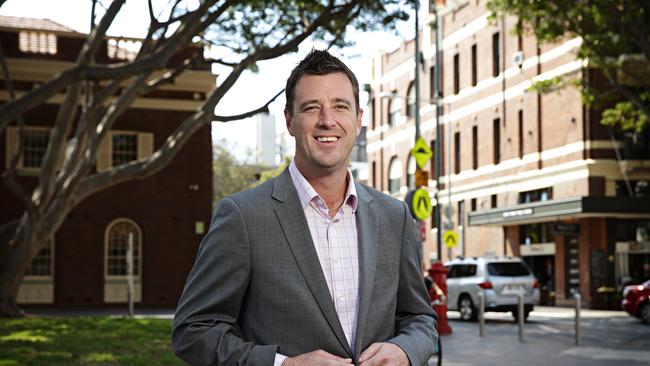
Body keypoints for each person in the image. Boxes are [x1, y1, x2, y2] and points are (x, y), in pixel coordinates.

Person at [172, 49, 437, 366]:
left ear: (359, 118)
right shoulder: (243, 217)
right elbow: (193, 331)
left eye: (340, 106)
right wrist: (283, 364)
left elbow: (419, 318)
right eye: (312, 108)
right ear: (289, 121)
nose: (328, 120)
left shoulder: (394, 216)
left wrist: (406, 350)